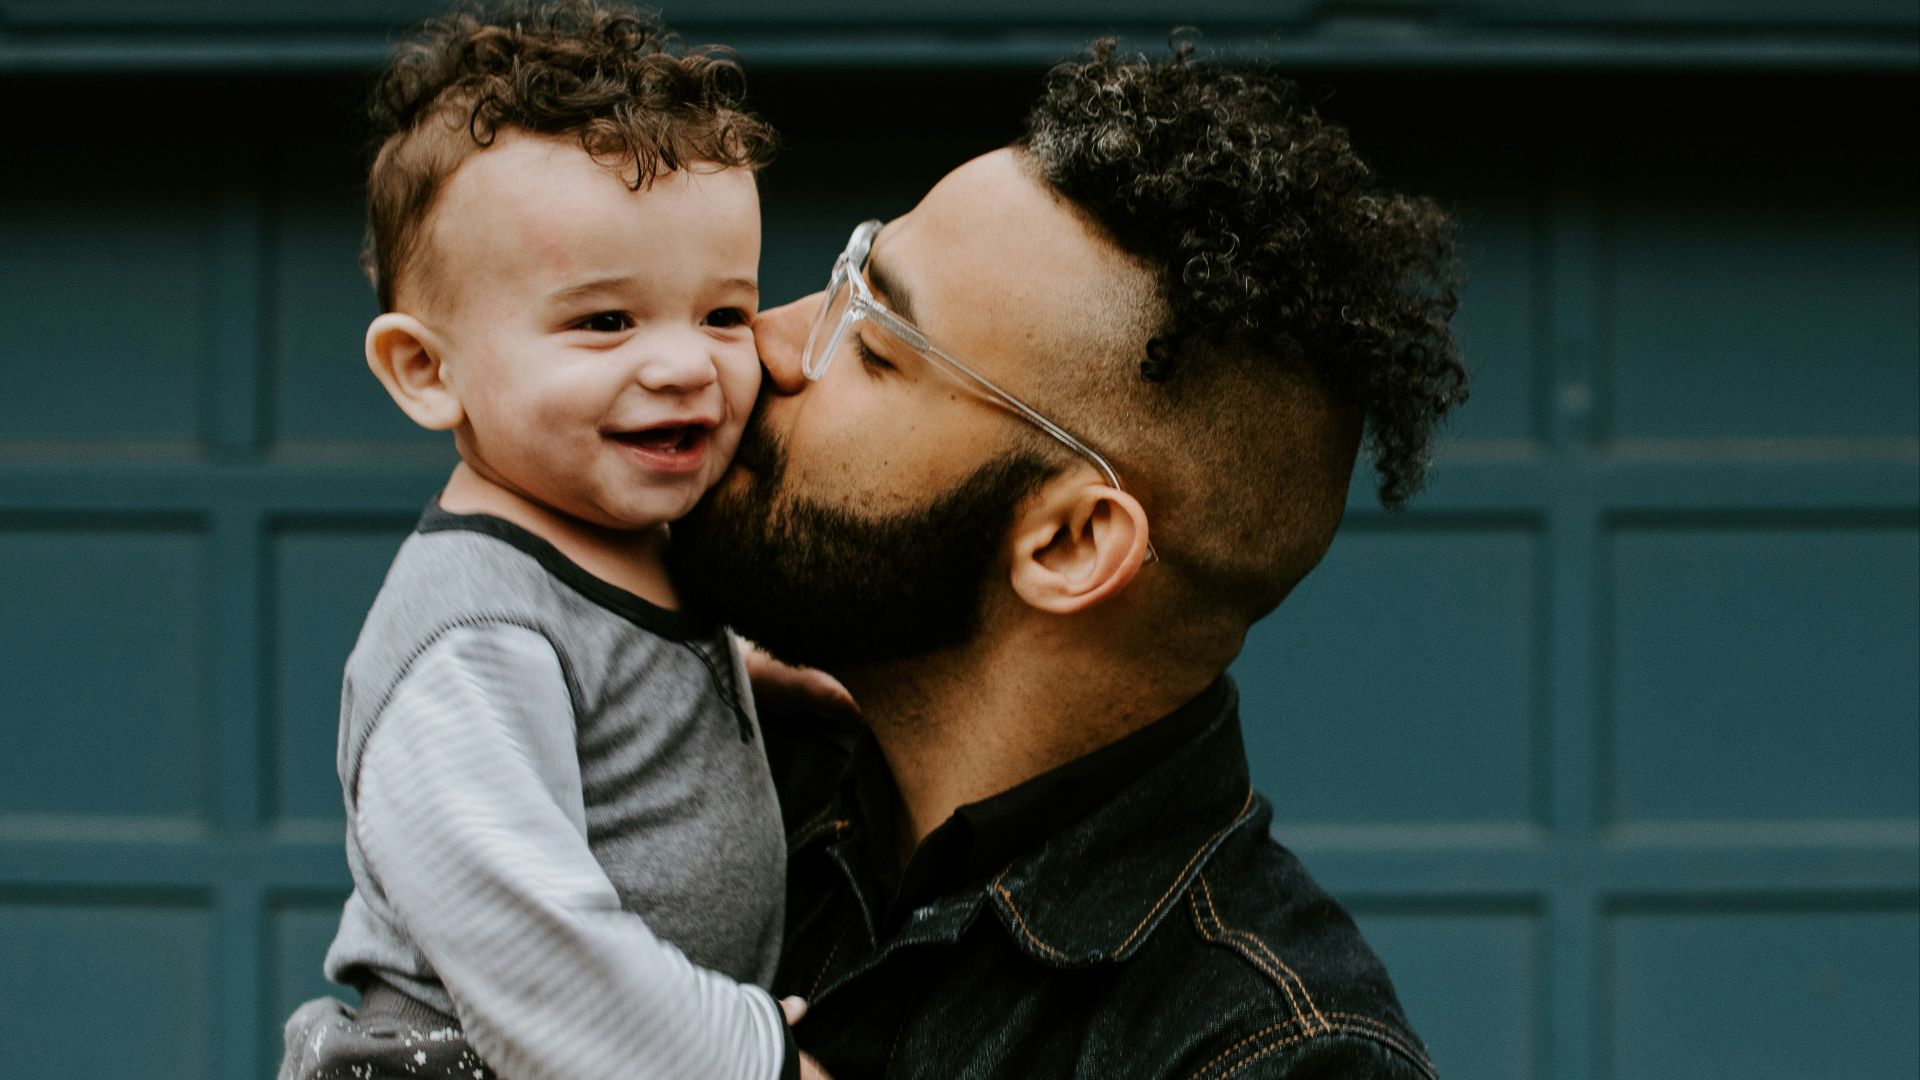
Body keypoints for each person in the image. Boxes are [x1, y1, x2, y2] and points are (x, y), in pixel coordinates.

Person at [670, 38, 1469, 1079]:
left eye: (872, 345)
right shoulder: (691, 756)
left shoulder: (1262, 1055)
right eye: (841, 282)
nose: (764, 343)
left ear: (1071, 542)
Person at [277, 3, 813, 1078]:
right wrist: (759, 1063)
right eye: (605, 322)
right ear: (427, 371)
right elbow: (535, 958)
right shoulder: (472, 640)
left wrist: (765, 682)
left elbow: (619, 694)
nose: (685, 366)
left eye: (722, 315)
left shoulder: (631, 541)